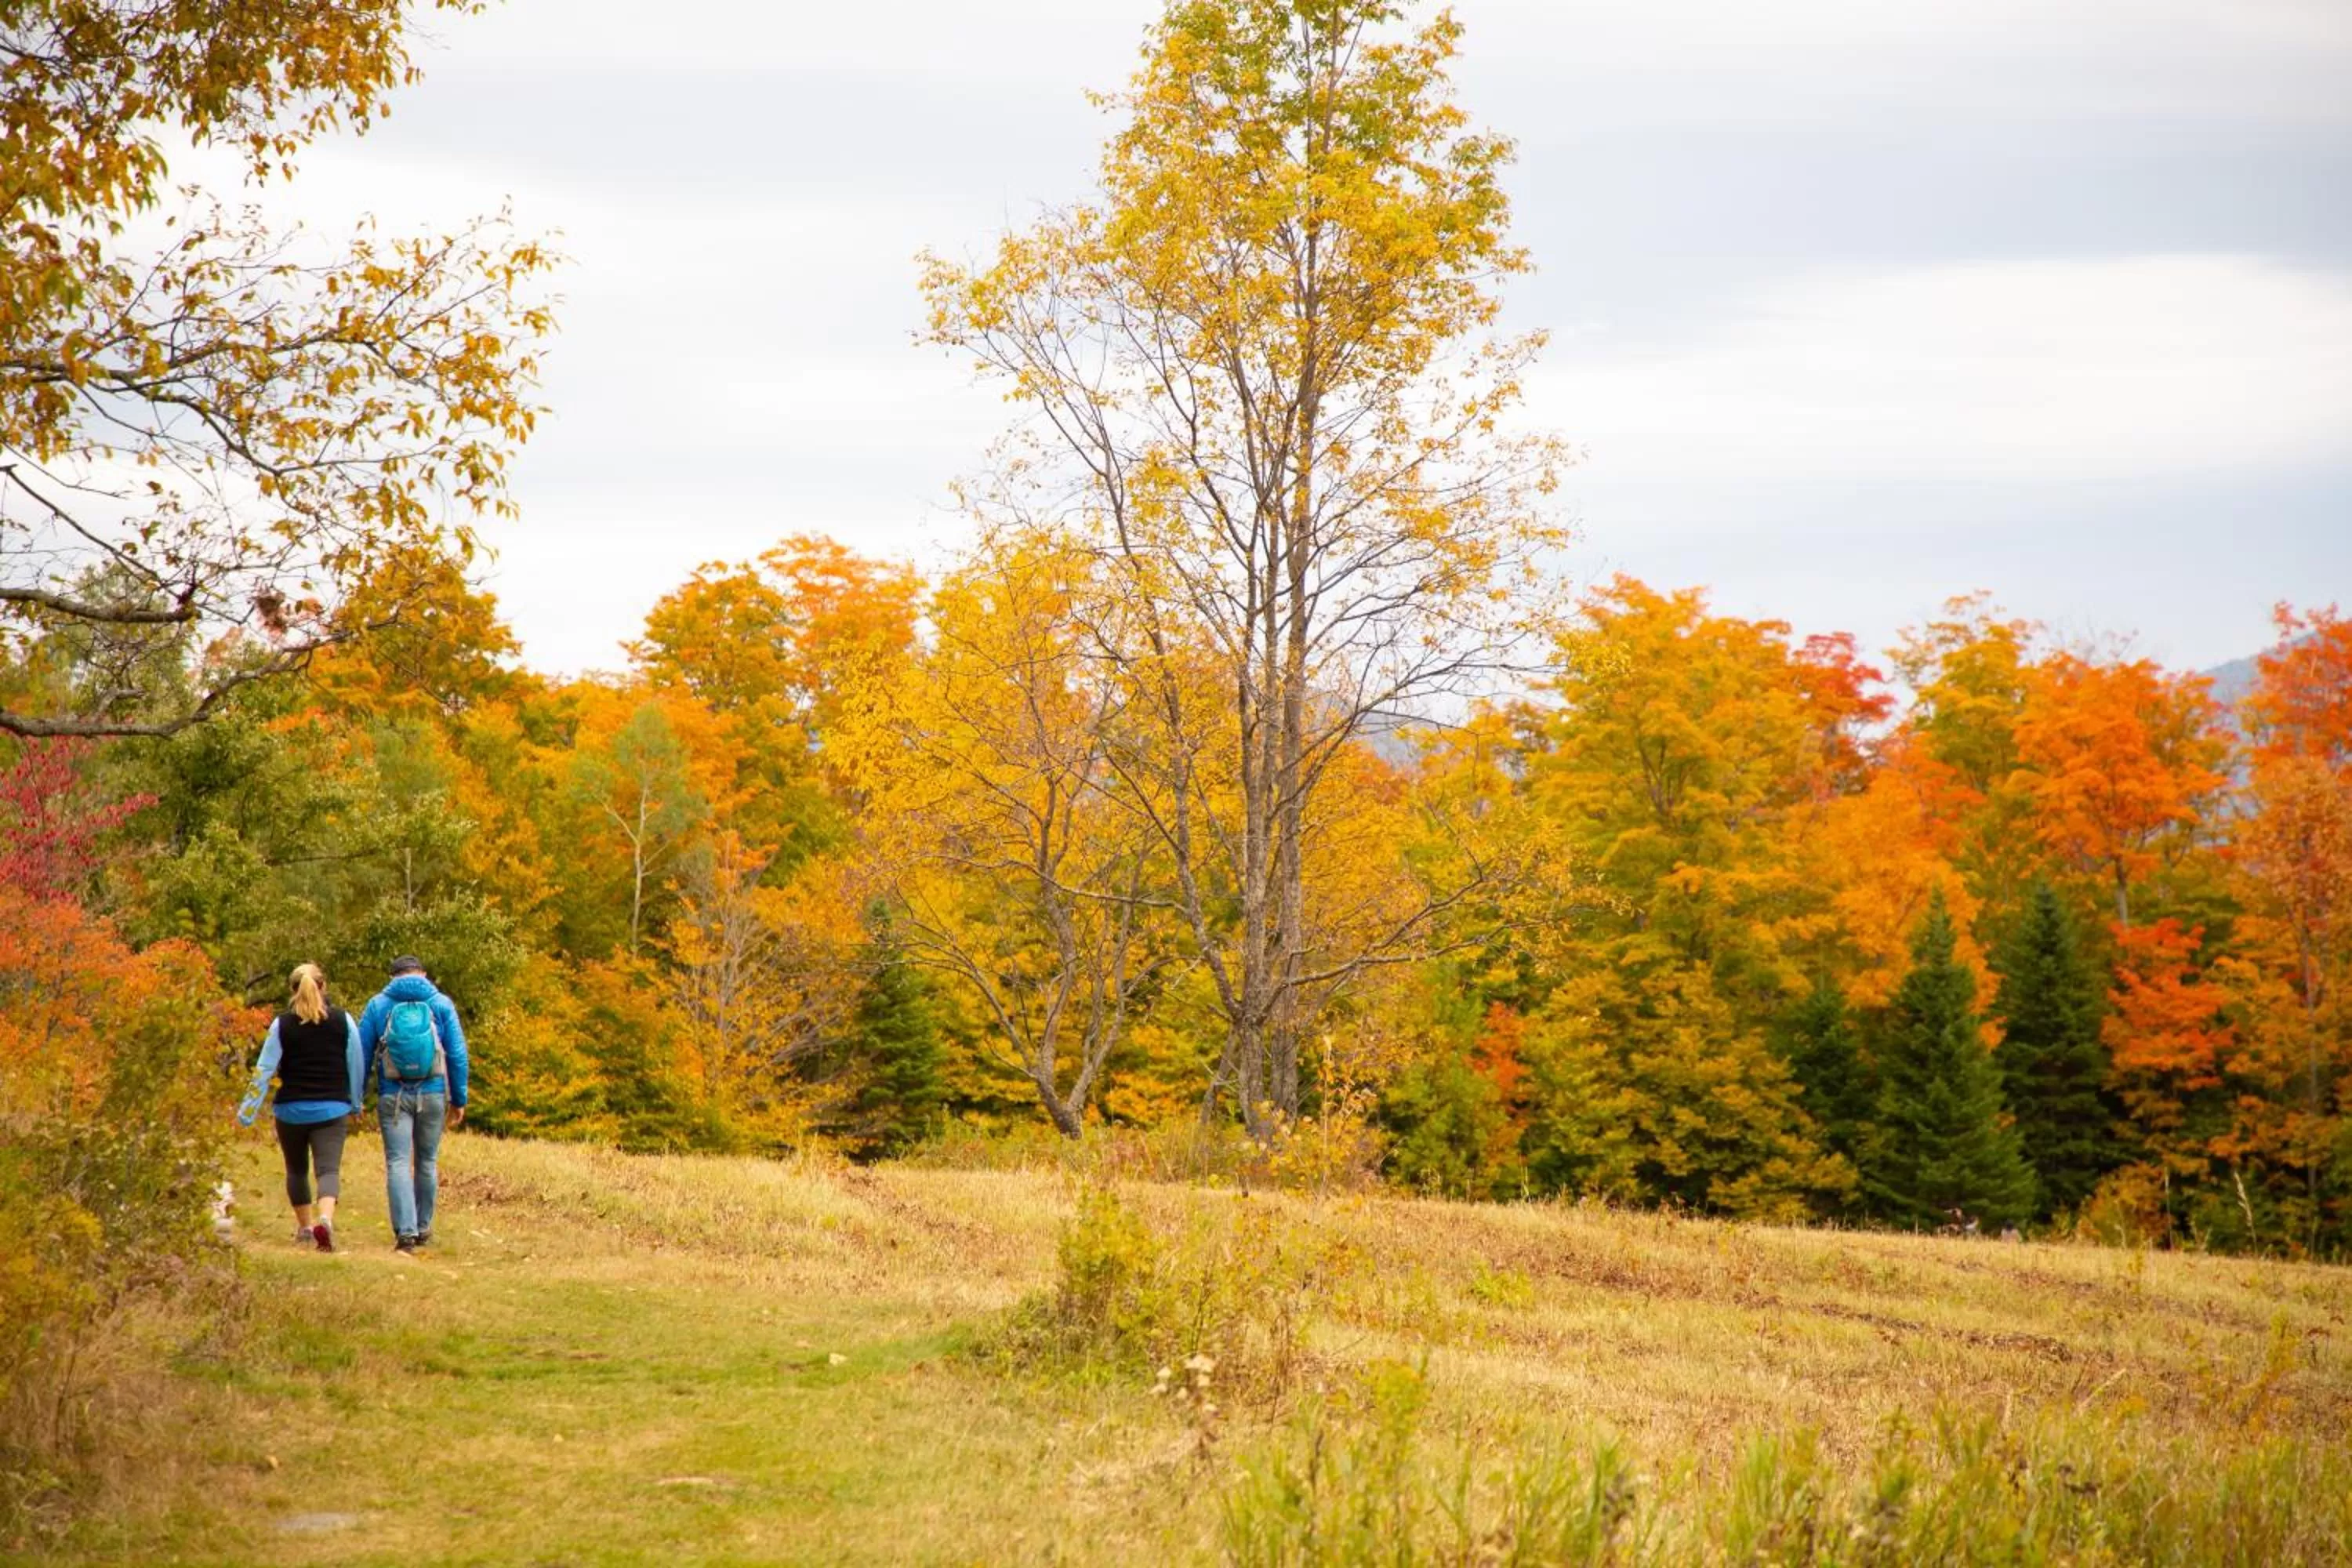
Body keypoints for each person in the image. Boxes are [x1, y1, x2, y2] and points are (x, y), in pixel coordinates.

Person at [237, 963, 365, 1253]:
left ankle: (305, 1228)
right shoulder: (343, 1021)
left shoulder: (282, 1025)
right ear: (324, 986)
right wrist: (355, 1102)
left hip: (290, 1109)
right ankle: (326, 1220)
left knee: (296, 1170)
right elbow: (355, 1064)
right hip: (332, 1109)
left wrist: (247, 1112)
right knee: (328, 1170)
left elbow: (265, 1069)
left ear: (292, 990)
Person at [357, 955, 471, 1255]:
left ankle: (405, 1234)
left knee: (397, 1161)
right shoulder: (441, 1003)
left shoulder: (378, 1005)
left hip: (392, 1095)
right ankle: (423, 1227)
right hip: (433, 1093)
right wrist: (459, 1099)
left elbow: (360, 1054)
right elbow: (457, 1054)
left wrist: (356, 1097)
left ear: (392, 975)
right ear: (422, 973)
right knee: (427, 1161)